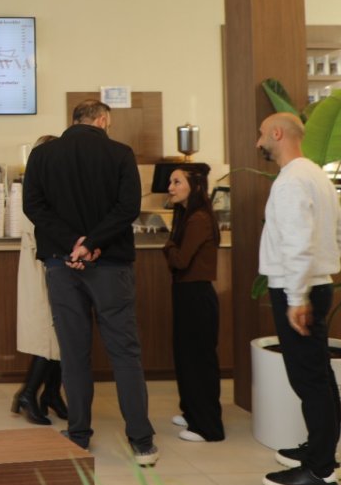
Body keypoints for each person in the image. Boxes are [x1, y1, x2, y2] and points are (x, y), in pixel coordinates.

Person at [22, 100, 157, 466]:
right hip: (110, 265)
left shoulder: (43, 155)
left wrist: (72, 244)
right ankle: (142, 442)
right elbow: (127, 208)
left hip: (61, 264)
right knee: (125, 353)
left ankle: (79, 435)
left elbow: (33, 206)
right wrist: (92, 243)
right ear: (102, 120)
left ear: (75, 120)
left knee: (74, 353)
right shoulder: (120, 153)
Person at [257, 112, 341, 485]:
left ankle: (320, 473)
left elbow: (297, 242)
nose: (259, 142)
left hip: (297, 291)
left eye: (262, 134)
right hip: (316, 284)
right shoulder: (315, 174)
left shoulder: (291, 180)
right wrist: (321, 268)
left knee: (309, 380)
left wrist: (297, 297)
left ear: (278, 133)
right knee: (320, 375)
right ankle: (323, 453)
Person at [162, 164, 224, 443]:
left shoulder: (198, 219)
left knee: (198, 360)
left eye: (177, 182)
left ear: (195, 186)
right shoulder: (187, 216)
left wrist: (168, 246)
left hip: (196, 295)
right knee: (186, 356)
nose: (170, 188)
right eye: (171, 182)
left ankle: (207, 426)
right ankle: (192, 413)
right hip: (186, 293)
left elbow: (180, 260)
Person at [12, 134, 66, 426]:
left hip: (48, 264)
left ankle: (52, 393)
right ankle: (28, 393)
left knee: (60, 333)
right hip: (43, 267)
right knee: (50, 333)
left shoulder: (44, 186)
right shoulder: (39, 190)